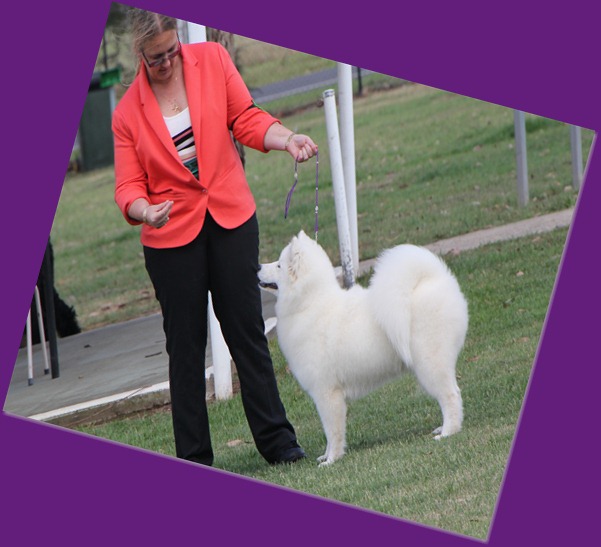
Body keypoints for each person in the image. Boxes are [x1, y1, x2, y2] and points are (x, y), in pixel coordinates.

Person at [112, 8, 318, 467]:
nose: (166, 63)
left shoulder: (214, 60)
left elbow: (244, 116)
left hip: (230, 219)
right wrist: (146, 210)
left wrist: (285, 139)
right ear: (139, 55)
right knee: (185, 352)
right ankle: (195, 461)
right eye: (155, 59)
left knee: (246, 333)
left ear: (178, 39)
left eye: (171, 51)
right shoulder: (127, 113)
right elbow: (127, 187)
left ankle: (280, 443)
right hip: (170, 242)